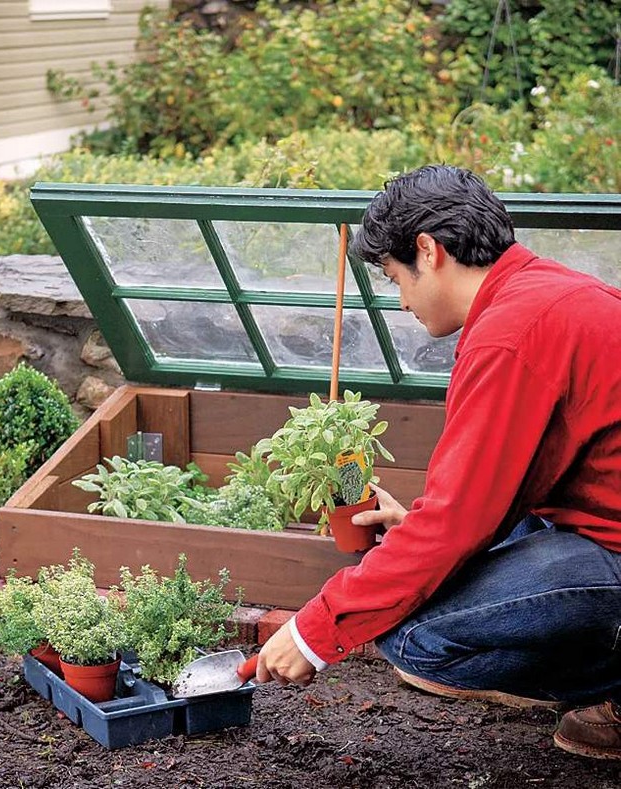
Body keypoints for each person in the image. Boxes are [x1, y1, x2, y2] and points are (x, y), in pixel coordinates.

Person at [254, 164, 621, 761]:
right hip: (599, 522)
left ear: (428, 250)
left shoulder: (511, 334)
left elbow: (456, 525)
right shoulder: (543, 293)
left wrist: (315, 629)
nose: (400, 301)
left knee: (416, 637)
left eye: (396, 277)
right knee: (433, 577)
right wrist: (421, 528)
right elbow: (495, 496)